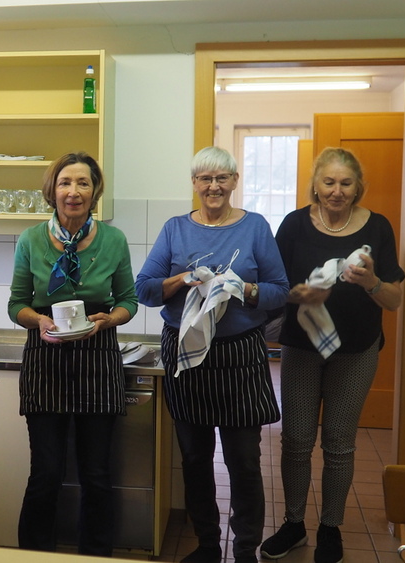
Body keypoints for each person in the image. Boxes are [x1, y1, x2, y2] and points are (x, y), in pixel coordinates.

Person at [135, 146, 289, 563]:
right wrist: (184, 278)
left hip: (240, 358)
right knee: (195, 458)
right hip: (187, 358)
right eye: (205, 178)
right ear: (194, 183)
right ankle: (206, 545)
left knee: (244, 461)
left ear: (235, 181)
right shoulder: (175, 229)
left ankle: (244, 550)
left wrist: (244, 288)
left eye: (222, 178)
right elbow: (145, 289)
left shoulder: (255, 227)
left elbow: (279, 291)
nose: (214, 186)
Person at [261, 147, 404, 563]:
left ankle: (330, 528)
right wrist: (299, 294)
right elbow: (274, 288)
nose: (336, 191)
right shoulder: (294, 225)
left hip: (356, 352)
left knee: (339, 443)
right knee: (296, 441)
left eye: (345, 183)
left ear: (358, 187)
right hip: (302, 347)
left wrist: (371, 281)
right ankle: (293, 524)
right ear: (316, 185)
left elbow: (394, 300)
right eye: (329, 182)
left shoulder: (378, 227)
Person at [8, 152, 137, 556]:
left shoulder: (113, 240)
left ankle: (95, 555)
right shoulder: (30, 239)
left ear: (95, 191)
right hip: (45, 357)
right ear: (53, 189)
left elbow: (129, 301)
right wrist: (39, 321)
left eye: (83, 183)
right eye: (65, 182)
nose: (74, 191)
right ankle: (36, 555)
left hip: (97, 353)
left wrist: (109, 320)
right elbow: (16, 304)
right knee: (45, 473)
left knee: (96, 474)